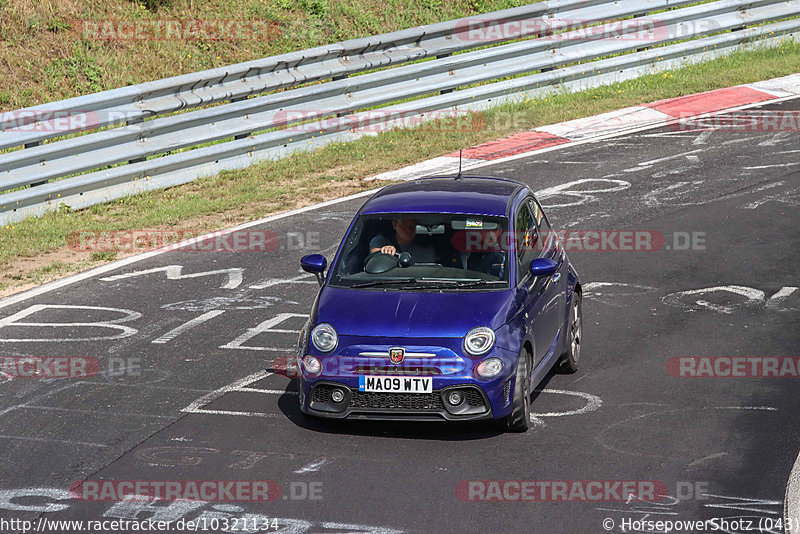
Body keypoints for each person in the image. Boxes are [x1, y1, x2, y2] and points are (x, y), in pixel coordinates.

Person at [369, 217, 436, 263]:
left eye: (412, 226)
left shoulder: (425, 249)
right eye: (404, 225)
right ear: (394, 225)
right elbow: (375, 259)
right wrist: (385, 253)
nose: (408, 229)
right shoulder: (380, 241)